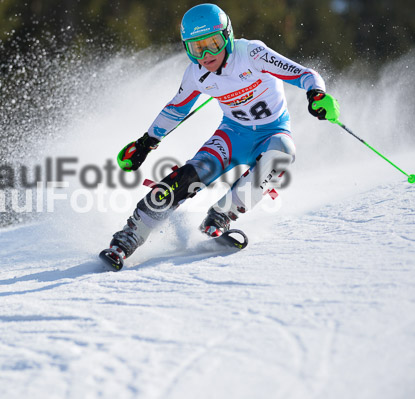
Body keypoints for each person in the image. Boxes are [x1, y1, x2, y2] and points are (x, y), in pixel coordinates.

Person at [100, 3, 340, 269]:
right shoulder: (196, 74)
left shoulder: (252, 53)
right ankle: (128, 237)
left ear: (227, 35)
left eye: (213, 43)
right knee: (191, 175)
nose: (205, 54)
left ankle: (219, 217)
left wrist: (316, 94)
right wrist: (145, 144)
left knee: (283, 153)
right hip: (232, 134)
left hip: (272, 132)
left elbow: (304, 74)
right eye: (196, 48)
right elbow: (175, 109)